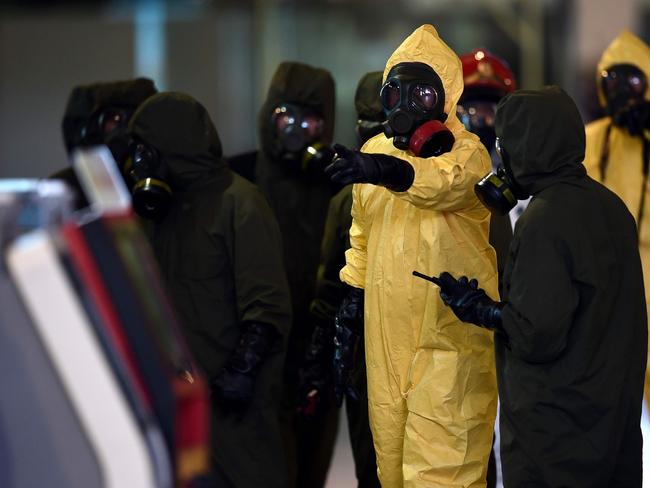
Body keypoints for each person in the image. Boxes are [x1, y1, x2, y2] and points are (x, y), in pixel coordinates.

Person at [425, 86, 646, 486]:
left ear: (527, 147)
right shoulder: (611, 207)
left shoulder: (544, 220)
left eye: (505, 146)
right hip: (614, 426)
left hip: (557, 439)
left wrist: (479, 309)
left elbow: (536, 333)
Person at [326, 25, 498, 487]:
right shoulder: (374, 152)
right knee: (393, 473)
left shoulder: (470, 154)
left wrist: (378, 168)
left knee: (446, 475)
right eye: (395, 92)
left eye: (421, 92)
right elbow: (360, 240)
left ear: (445, 97)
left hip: (449, 350)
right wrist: (348, 315)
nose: (405, 105)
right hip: (386, 351)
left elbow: (440, 185)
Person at [125, 92, 292, 488]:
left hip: (233, 413)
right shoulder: (156, 214)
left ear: (170, 147)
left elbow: (267, 306)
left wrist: (241, 374)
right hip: (171, 407)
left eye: (145, 151)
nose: (138, 164)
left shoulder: (239, 204)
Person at [228, 61, 337, 488]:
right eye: (285, 117)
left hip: (316, 356)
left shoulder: (339, 185)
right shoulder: (237, 178)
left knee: (310, 471)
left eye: (309, 121)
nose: (294, 130)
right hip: (255, 358)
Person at [297, 71, 383, 488]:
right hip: (371, 363)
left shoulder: (441, 193)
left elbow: (328, 292)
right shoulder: (347, 200)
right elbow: (331, 290)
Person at [582, 30, 650, 399]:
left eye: (634, 81)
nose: (623, 92)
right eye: (613, 82)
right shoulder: (592, 139)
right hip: (607, 285)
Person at [51, 78, 157, 209]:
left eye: (138, 118)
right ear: (89, 130)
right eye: (115, 119)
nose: (129, 129)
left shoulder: (159, 182)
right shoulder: (65, 189)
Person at [459, 48, 516, 278]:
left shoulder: (519, 173)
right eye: (472, 111)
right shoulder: (440, 172)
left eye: (492, 111)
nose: (483, 121)